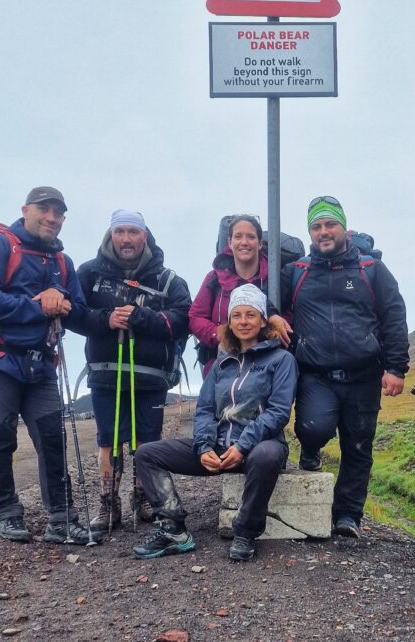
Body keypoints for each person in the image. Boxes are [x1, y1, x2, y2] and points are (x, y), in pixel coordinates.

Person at [132, 284, 298, 561]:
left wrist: (243, 446)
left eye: (251, 315)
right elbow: (205, 409)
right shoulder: (221, 364)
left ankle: (245, 532)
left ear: (263, 321)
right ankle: (174, 529)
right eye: (236, 315)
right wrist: (204, 446)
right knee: (147, 454)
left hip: (258, 448)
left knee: (267, 455)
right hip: (219, 448)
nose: (243, 322)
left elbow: (278, 412)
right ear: (229, 322)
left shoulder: (282, 360)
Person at [0, 186, 92, 544]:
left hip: (41, 365)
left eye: (59, 213)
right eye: (44, 210)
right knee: (2, 434)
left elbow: (78, 311)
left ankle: (61, 517)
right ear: (25, 210)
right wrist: (40, 306)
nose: (52, 218)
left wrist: (63, 299)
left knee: (52, 438)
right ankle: (5, 512)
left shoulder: (63, 263)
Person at [280, 196, 409, 538]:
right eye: (316, 226)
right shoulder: (297, 272)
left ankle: (347, 515)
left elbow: (394, 315)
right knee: (312, 427)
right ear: (310, 231)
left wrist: (396, 367)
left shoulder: (371, 270)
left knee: (358, 445)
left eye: (330, 224)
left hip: (364, 375)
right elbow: (269, 305)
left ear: (344, 227)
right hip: (316, 374)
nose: (324, 232)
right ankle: (310, 449)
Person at [76, 209, 191, 533]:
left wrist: (141, 317)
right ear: (111, 235)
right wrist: (105, 319)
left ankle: (144, 498)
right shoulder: (89, 274)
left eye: (133, 232)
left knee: (147, 441)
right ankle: (107, 503)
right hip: (105, 374)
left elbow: (184, 317)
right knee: (108, 441)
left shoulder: (167, 279)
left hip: (150, 377)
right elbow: (74, 314)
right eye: (120, 231)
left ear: (145, 235)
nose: (126, 239)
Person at [189, 214, 291, 378]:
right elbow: (196, 316)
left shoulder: (276, 279)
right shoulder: (214, 278)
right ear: (229, 243)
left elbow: (290, 313)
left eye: (251, 237)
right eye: (238, 236)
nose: (244, 242)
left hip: (266, 369)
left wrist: (271, 331)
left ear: (260, 244)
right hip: (221, 368)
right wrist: (220, 334)